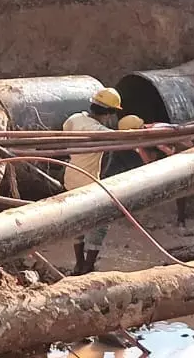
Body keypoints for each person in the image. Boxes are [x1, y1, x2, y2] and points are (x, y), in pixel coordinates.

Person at [61, 87, 124, 275]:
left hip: (70, 178)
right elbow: (121, 140)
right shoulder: (100, 131)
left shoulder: (74, 119)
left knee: (77, 223)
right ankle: (88, 268)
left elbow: (66, 133)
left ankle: (78, 265)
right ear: (110, 113)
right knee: (102, 221)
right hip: (87, 183)